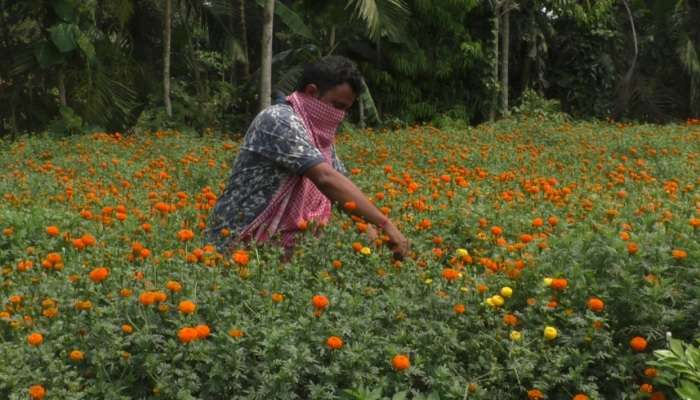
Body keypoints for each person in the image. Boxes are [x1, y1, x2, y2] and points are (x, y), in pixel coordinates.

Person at [204, 55, 409, 260]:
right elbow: (326, 178)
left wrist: (375, 241)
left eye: (345, 109)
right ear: (312, 92)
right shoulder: (279, 120)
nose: (339, 115)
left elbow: (343, 193)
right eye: (337, 105)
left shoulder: (317, 136)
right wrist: (385, 224)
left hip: (277, 253)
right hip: (238, 245)